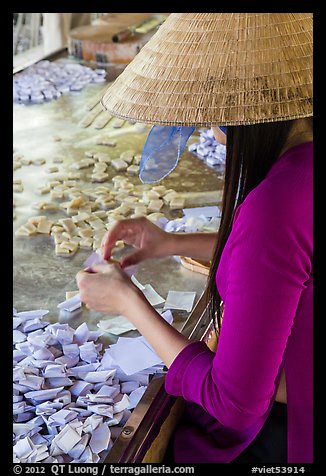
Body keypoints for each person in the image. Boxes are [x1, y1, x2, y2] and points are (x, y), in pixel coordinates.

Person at [76, 13, 313, 463]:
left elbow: (236, 405)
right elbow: (280, 266)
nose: (208, 131)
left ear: (242, 111)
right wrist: (170, 243)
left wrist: (127, 302)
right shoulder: (303, 167)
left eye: (211, 118)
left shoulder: (276, 206)